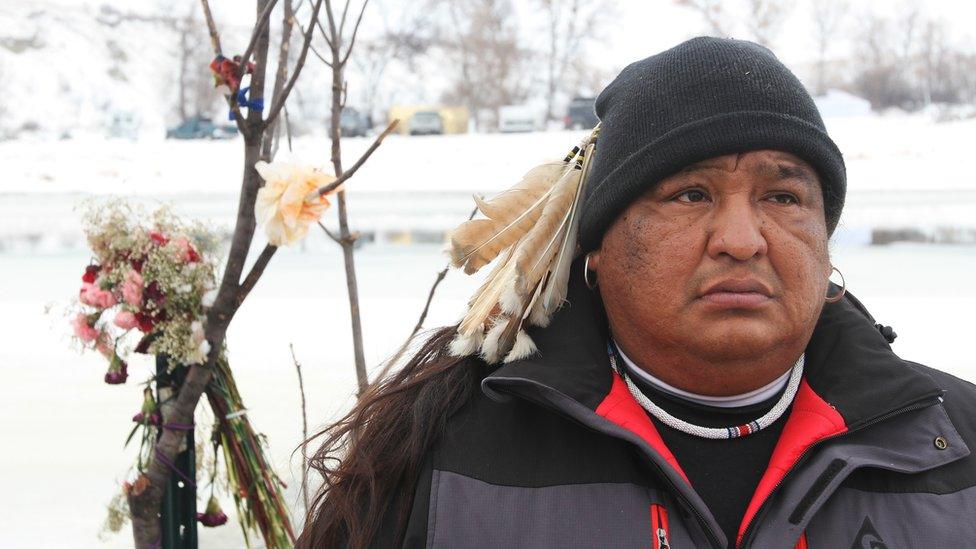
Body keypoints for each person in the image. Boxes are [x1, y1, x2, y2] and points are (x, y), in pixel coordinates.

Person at [297, 37, 976, 548]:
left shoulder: (952, 444)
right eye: (690, 193)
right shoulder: (443, 458)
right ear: (598, 243)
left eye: (783, 195)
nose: (743, 238)